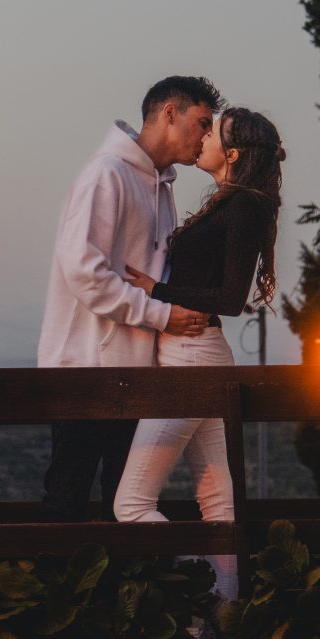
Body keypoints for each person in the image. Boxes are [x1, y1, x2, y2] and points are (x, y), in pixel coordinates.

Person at [114, 107, 285, 609]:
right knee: (218, 502)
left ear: (231, 154)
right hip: (195, 355)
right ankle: (229, 636)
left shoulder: (244, 208)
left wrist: (156, 289)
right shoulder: (226, 204)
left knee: (130, 504)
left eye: (213, 132)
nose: (203, 135)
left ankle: (203, 592)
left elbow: (231, 297)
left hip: (194, 358)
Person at [37, 76, 225, 522]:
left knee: (127, 504)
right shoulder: (107, 174)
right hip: (84, 370)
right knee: (68, 501)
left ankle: (113, 593)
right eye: (201, 123)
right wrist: (162, 316)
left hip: (134, 374)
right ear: (169, 114)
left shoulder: (160, 186)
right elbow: (85, 273)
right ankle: (54, 594)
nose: (205, 137)